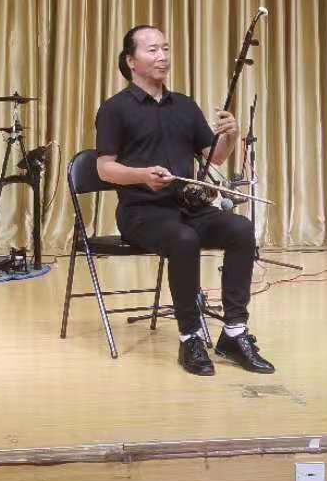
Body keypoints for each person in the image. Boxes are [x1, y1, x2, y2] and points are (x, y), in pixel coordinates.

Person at [94, 24, 274, 377]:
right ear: (131, 61)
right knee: (183, 238)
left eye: (165, 48)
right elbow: (104, 169)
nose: (162, 56)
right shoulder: (115, 109)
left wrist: (231, 135)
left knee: (240, 229)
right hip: (141, 213)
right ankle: (190, 336)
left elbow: (215, 157)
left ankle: (234, 332)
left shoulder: (185, 106)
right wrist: (143, 175)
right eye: (152, 50)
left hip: (188, 208)